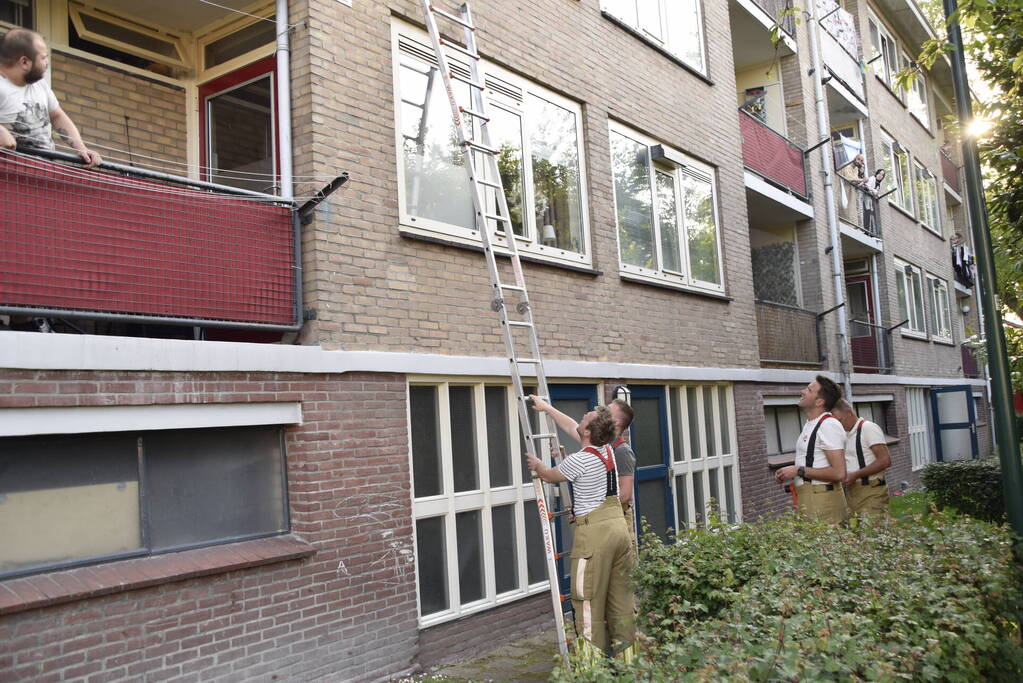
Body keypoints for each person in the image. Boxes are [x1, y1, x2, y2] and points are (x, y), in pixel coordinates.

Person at [525, 404, 635, 657]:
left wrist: (538, 464)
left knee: (587, 603)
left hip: (595, 536)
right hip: (618, 528)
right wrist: (549, 412)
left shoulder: (580, 459)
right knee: (621, 602)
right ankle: (630, 665)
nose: (583, 416)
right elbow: (585, 475)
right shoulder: (607, 451)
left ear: (587, 432)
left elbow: (550, 476)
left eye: (586, 417)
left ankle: (592, 669)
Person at [528, 395, 637, 543]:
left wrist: (589, 512)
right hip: (599, 522)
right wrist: (547, 408)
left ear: (616, 422)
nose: (602, 410)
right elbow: (571, 427)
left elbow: (624, 495)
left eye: (608, 410)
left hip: (614, 522)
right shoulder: (600, 441)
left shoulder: (621, 450)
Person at [0, 28, 101, 167]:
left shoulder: (39, 84)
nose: (47, 62)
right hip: (10, 176)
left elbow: (57, 116)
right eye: (43, 57)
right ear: (24, 62)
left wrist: (81, 148)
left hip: (44, 172)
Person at [774, 376, 848, 524]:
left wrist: (798, 471)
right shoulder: (811, 424)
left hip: (822, 499)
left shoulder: (828, 425)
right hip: (810, 496)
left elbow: (839, 473)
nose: (802, 391)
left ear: (819, 401)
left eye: (809, 389)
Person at [832, 399, 891, 518]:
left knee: (872, 532)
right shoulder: (846, 434)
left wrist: (856, 475)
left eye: (839, 420)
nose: (839, 425)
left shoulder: (868, 428)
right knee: (856, 534)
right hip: (852, 491)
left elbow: (885, 461)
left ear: (849, 413)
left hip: (871, 491)